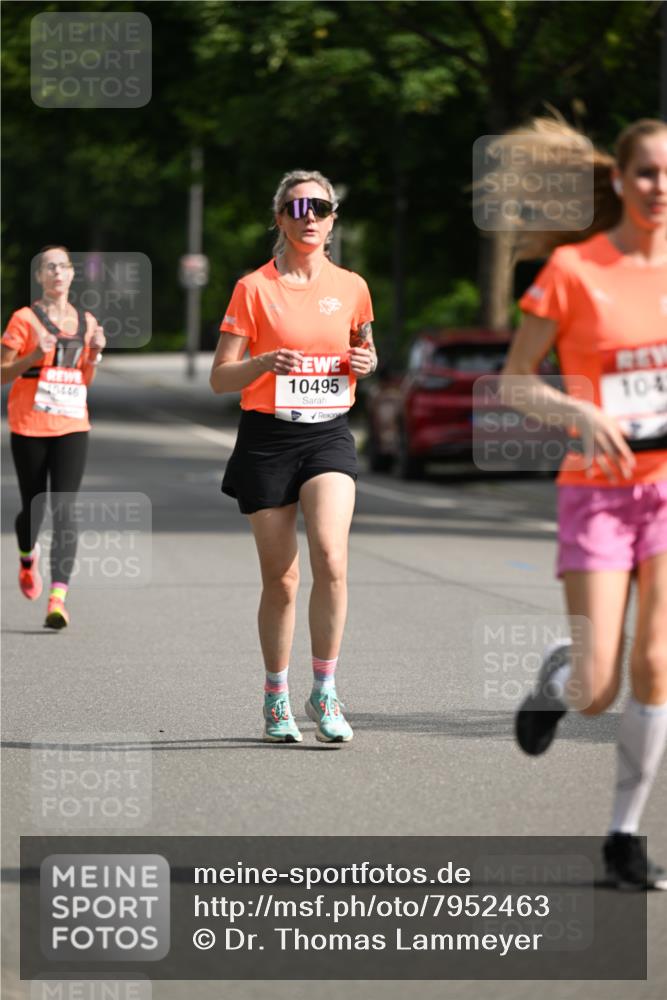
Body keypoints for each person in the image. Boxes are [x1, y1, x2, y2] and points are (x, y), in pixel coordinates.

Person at [500, 119, 667, 889]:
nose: (659, 187)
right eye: (646, 173)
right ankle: (560, 676)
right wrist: (577, 412)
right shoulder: (572, 269)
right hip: (596, 493)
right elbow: (515, 380)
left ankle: (622, 837)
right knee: (597, 692)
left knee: (656, 663)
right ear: (619, 180)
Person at [210, 170, 376, 743]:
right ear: (280, 218)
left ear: (332, 220)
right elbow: (219, 378)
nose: (310, 217)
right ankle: (276, 695)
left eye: (320, 208)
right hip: (268, 438)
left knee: (331, 556)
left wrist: (367, 363)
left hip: (328, 434)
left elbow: (364, 349)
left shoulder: (352, 286)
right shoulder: (253, 288)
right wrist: (261, 363)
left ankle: (324, 690)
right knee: (281, 580)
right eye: (297, 208)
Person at [1, 246, 106, 629]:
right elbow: (2, 372)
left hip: (72, 424)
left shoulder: (87, 322)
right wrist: (32, 357)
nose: (57, 273)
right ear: (40, 276)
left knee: (65, 509)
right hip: (29, 423)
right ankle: (27, 557)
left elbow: (84, 380)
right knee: (34, 508)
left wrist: (94, 356)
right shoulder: (24, 319)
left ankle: (57, 599)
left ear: (72, 274)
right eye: (49, 267)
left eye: (63, 266)